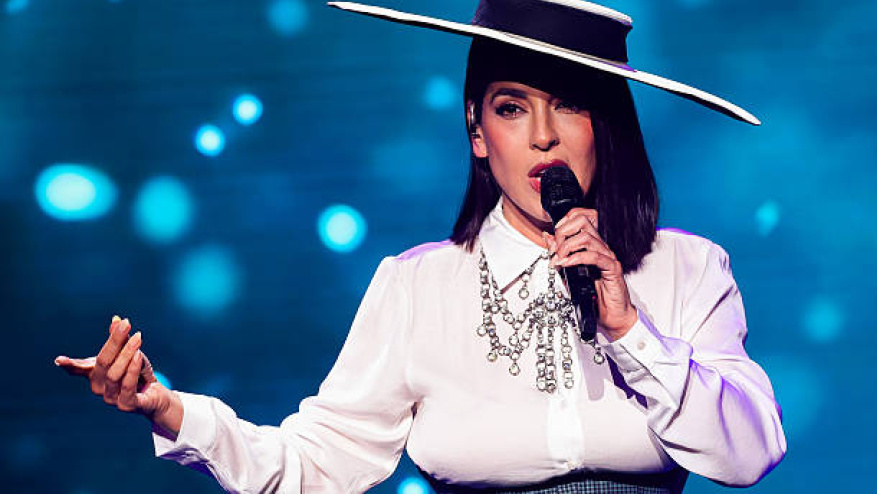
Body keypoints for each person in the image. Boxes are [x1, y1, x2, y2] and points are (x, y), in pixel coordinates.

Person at [55, 1, 786, 493]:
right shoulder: (418, 286)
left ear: (607, 124)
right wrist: (170, 410)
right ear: (476, 131)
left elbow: (751, 451)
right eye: (511, 108)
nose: (541, 136)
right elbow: (316, 462)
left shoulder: (687, 267)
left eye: (568, 104)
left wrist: (629, 327)